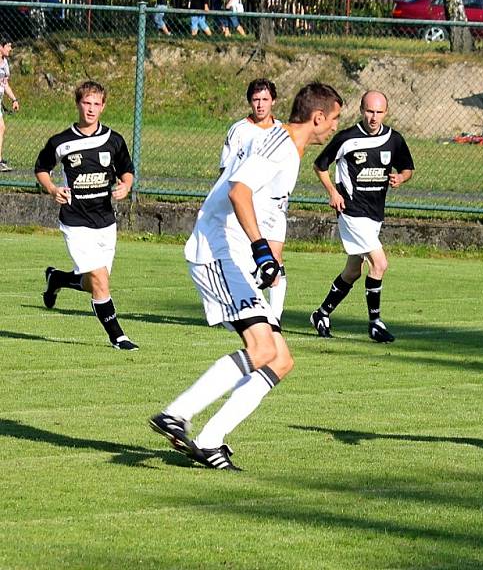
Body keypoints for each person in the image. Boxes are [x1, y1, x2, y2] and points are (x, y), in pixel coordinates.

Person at [149, 83, 343, 471]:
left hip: (238, 257)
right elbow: (239, 192)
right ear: (319, 117)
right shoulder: (281, 145)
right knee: (261, 349)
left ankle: (209, 440)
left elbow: (264, 208)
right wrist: (258, 250)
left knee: (280, 359)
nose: (335, 127)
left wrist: (270, 259)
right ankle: (177, 412)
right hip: (218, 252)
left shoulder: (289, 149)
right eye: (336, 118)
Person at [36, 81, 138, 351]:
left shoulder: (114, 140)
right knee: (100, 282)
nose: (91, 109)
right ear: (78, 104)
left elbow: (127, 171)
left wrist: (125, 186)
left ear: (103, 106)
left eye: (96, 104)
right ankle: (118, 337)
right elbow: (41, 168)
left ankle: (57, 279)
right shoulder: (61, 142)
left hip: (105, 221)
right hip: (75, 220)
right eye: (86, 103)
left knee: (95, 282)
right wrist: (52, 188)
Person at [309, 90, 414, 343]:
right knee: (380, 264)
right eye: (369, 111)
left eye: (379, 112)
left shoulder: (394, 139)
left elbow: (408, 168)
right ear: (361, 110)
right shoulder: (347, 137)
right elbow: (320, 165)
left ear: (385, 112)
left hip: (374, 215)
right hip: (351, 211)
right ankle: (375, 323)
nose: (374, 117)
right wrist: (333, 193)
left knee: (353, 271)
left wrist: (400, 177)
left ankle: (321, 314)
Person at [219, 79, 288, 322]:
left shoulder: (283, 132)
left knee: (275, 261)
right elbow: (226, 171)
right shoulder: (239, 130)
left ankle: (274, 318)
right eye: (256, 100)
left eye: (265, 99)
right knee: (250, 263)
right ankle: (245, 310)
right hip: (248, 205)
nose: (260, 105)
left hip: (275, 206)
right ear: (250, 102)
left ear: (273, 101)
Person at [0, 36, 20, 171]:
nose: (10, 49)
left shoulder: (5, 63)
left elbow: (5, 83)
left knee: (1, 128)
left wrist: (14, 99)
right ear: (0, 47)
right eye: (8, 46)